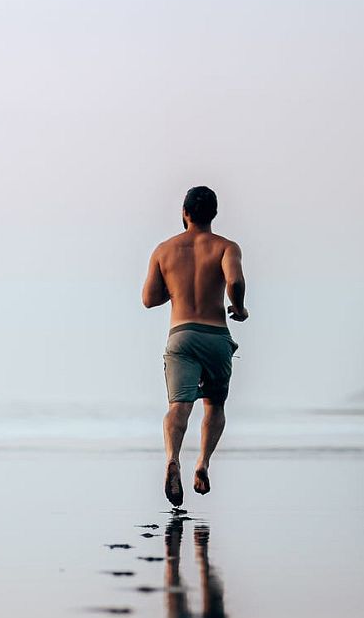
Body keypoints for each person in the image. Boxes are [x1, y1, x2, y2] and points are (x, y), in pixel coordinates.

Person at [142, 186, 248, 507]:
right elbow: (235, 281)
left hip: (181, 336)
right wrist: (239, 307)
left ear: (185, 213)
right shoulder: (226, 248)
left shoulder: (164, 250)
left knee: (178, 407)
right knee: (214, 406)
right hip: (215, 336)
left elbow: (148, 299)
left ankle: (173, 458)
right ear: (213, 214)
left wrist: (175, 289)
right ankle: (202, 463)